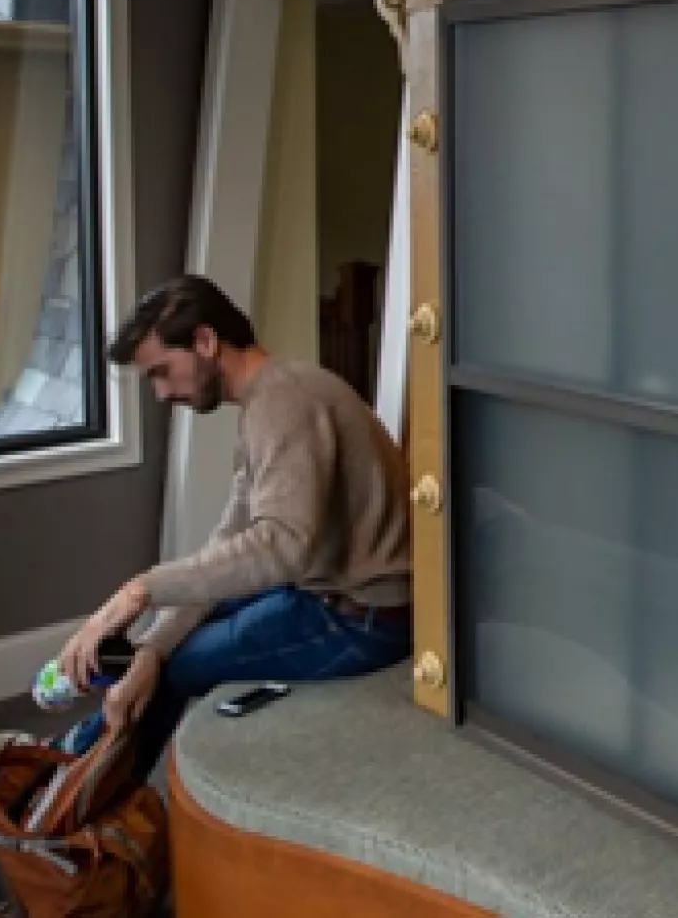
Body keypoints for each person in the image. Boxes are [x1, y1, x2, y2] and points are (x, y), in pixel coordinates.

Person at [50, 274, 412, 777]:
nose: (159, 393)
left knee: (182, 667)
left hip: (365, 619)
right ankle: (61, 770)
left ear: (204, 340)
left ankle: (65, 798)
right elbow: (232, 542)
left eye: (162, 372)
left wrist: (140, 594)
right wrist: (152, 645)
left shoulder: (286, 402)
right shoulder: (269, 399)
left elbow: (282, 546)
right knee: (167, 649)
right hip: (321, 591)